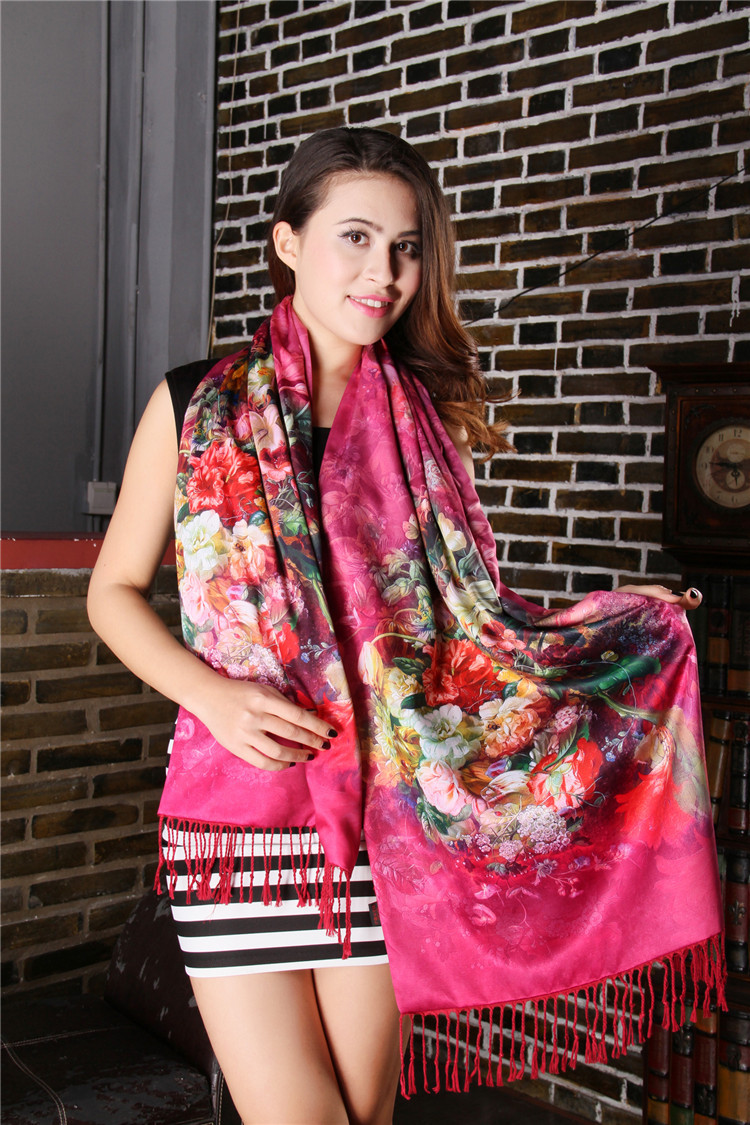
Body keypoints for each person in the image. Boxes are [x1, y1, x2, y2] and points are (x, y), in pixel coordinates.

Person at [87, 127, 716, 1125]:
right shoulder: (194, 402)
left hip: (391, 826)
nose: (383, 271)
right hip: (241, 816)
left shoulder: (427, 420)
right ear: (288, 241)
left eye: (406, 247)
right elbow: (113, 591)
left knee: (364, 1115)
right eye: (356, 237)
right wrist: (212, 694)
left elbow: (473, 629)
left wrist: (614, 629)